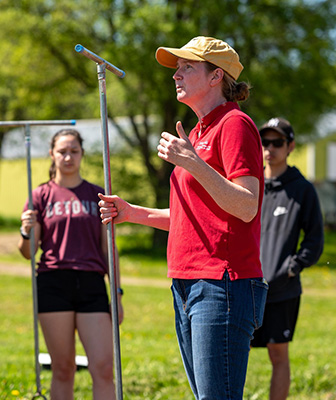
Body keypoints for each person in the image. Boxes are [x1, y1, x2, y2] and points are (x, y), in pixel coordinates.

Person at [98, 36, 269, 399]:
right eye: (177, 67)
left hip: (222, 284)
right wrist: (132, 212)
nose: (176, 74)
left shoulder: (235, 125)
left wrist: (193, 163)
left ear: (215, 76)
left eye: (187, 67)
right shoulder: (196, 131)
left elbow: (247, 205)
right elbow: (190, 216)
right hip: (187, 282)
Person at [18, 128, 123, 400]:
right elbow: (28, 252)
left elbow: (108, 249)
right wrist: (25, 231)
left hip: (91, 284)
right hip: (54, 282)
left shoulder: (97, 195)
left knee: (103, 368)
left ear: (82, 154)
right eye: (62, 151)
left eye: (74, 151)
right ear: (52, 155)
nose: (68, 157)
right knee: (63, 368)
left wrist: (117, 294)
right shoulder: (40, 195)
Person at [251, 117, 324, 400]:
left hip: (282, 290)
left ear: (290, 146)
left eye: (277, 142)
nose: (270, 148)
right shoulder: (249, 183)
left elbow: (315, 239)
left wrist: (292, 268)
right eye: (265, 141)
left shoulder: (302, 189)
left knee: (278, 355)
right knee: (232, 353)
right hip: (246, 284)